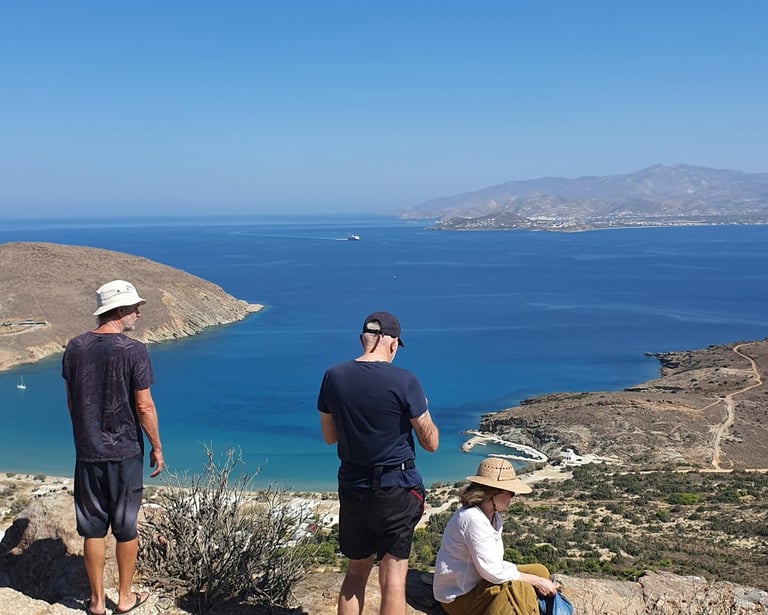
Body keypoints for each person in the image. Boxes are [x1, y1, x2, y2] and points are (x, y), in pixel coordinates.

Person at [317, 311, 440, 615]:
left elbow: (329, 437)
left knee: (356, 571)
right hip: (396, 488)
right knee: (393, 578)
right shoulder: (405, 381)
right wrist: (423, 410)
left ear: (363, 339)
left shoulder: (333, 376)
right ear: (393, 343)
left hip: (353, 486)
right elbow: (431, 443)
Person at [62, 280, 164, 615]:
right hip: (125, 453)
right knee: (125, 526)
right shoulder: (133, 350)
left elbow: (72, 402)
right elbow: (144, 406)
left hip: (88, 451)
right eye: (135, 308)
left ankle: (95, 603)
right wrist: (157, 447)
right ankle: (124, 597)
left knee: (92, 527)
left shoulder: (75, 347)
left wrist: (85, 435)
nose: (138, 313)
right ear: (119, 311)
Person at [432, 456, 559, 615]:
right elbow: (492, 571)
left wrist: (537, 579)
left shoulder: (492, 516)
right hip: (460, 596)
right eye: (510, 492)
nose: (513, 496)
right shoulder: (473, 519)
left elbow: (493, 565)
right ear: (494, 493)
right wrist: (535, 581)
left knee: (539, 571)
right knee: (520, 588)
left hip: (479, 581)